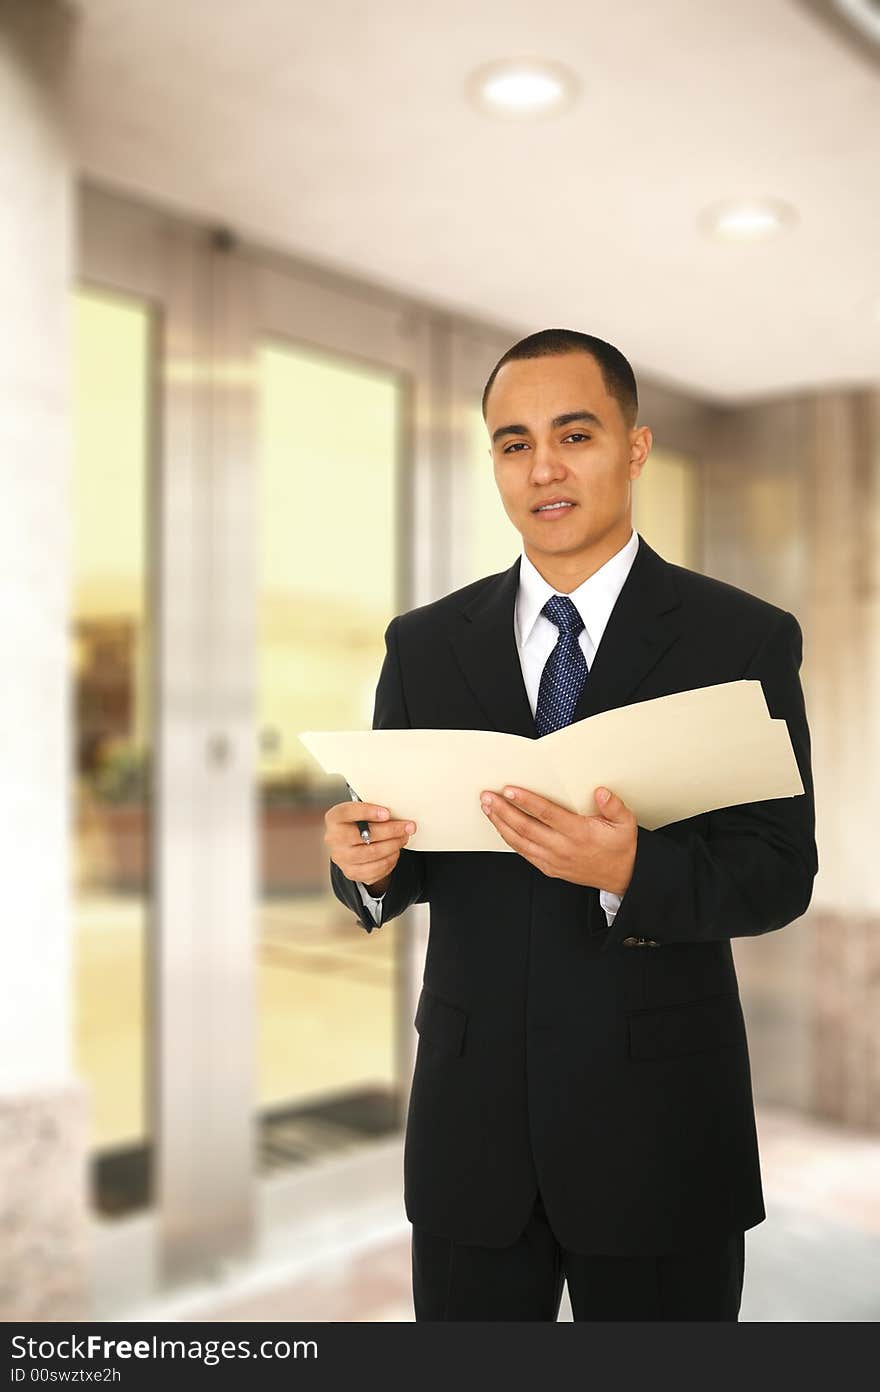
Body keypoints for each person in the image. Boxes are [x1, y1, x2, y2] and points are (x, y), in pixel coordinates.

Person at [325, 329, 818, 1321]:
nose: (541, 467)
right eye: (512, 443)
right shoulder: (422, 646)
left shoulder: (740, 637)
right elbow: (404, 851)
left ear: (634, 447)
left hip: (662, 1130)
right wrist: (364, 866)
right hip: (474, 1130)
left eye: (573, 434)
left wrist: (633, 867)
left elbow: (778, 871)